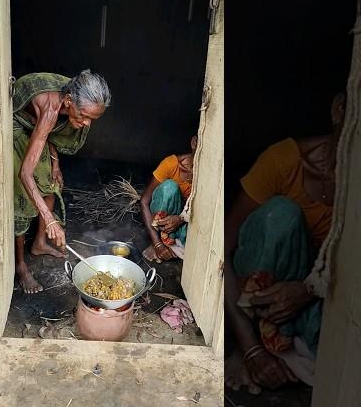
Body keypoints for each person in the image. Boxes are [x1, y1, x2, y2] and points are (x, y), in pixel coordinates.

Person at [224, 93, 346, 395]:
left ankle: (278, 344)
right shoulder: (284, 162)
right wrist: (250, 348)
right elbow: (221, 252)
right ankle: (251, 341)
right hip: (257, 282)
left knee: (346, 357)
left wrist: (306, 291)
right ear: (339, 110)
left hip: (307, 287)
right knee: (283, 215)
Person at [13, 71, 111, 294]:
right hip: (16, 124)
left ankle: (38, 244)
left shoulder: (75, 91)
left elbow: (47, 135)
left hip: (36, 126)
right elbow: (25, 173)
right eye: (84, 116)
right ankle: (20, 266)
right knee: (22, 200)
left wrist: (55, 165)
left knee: (50, 184)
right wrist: (49, 220)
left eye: (92, 120)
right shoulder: (50, 110)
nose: (86, 123)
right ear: (68, 102)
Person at [141, 135, 198, 263]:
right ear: (194, 143)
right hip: (165, 218)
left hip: (185, 221)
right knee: (170, 187)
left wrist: (181, 218)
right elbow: (144, 201)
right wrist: (157, 244)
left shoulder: (208, 175)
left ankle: (174, 244)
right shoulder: (171, 165)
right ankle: (162, 242)